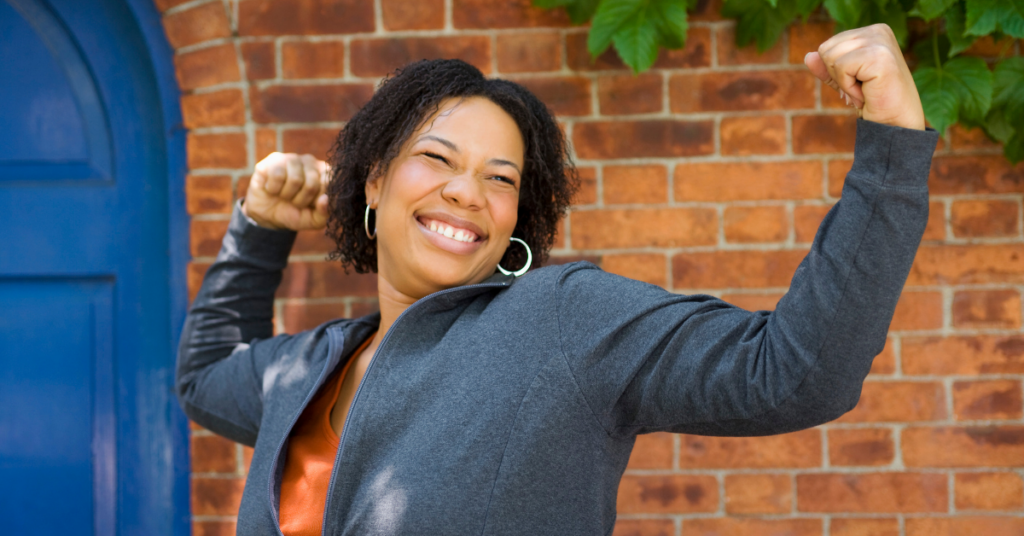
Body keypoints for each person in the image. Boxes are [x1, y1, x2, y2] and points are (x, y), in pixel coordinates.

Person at [177, 24, 937, 536]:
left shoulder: (562, 321)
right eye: (437, 160)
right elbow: (205, 376)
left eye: (499, 178)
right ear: (373, 183)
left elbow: (796, 374)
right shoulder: (309, 369)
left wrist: (892, 147)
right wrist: (260, 227)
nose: (467, 193)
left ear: (517, 218)